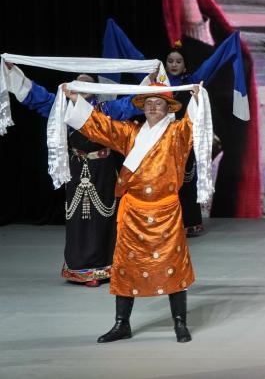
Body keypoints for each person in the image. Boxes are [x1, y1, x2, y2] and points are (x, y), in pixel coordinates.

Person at [63, 82, 204, 343]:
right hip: (133, 211)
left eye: (158, 103)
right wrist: (75, 100)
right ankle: (121, 324)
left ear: (168, 108)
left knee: (173, 267)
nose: (153, 107)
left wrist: (197, 100)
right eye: (148, 103)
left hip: (166, 212)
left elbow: (195, 124)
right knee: (126, 267)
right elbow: (103, 127)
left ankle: (180, 323)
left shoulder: (177, 133)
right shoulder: (131, 132)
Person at [4, 65, 141, 286]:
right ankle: (80, 267)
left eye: (87, 82)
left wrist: (154, 82)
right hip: (76, 168)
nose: (82, 85)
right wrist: (12, 72)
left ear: (95, 88)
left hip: (103, 169)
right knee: (78, 219)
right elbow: (36, 96)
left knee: (103, 218)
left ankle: (104, 267)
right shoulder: (62, 107)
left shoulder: (106, 108)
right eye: (78, 82)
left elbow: (133, 103)